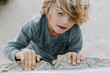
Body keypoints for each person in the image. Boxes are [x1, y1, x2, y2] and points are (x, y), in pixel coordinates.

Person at [2, 0, 90, 71]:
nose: (65, 22)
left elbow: (73, 54)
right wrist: (21, 54)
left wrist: (72, 56)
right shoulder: (34, 25)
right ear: (47, 6)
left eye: (73, 16)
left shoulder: (74, 32)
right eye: (60, 13)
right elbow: (8, 49)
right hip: (35, 64)